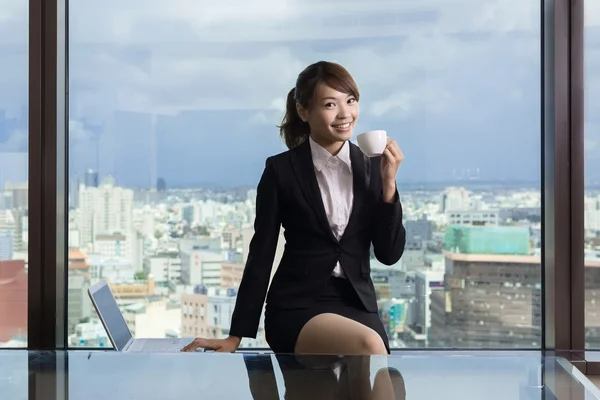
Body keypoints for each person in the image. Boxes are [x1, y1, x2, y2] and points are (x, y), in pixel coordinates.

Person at [183, 60, 406, 356]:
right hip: (297, 306)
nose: (345, 114)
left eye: (351, 101)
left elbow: (389, 255)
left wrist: (388, 185)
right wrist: (236, 336)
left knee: (381, 377)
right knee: (370, 348)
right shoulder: (281, 170)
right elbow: (261, 254)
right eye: (330, 104)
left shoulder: (372, 165)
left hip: (357, 304)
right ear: (304, 111)